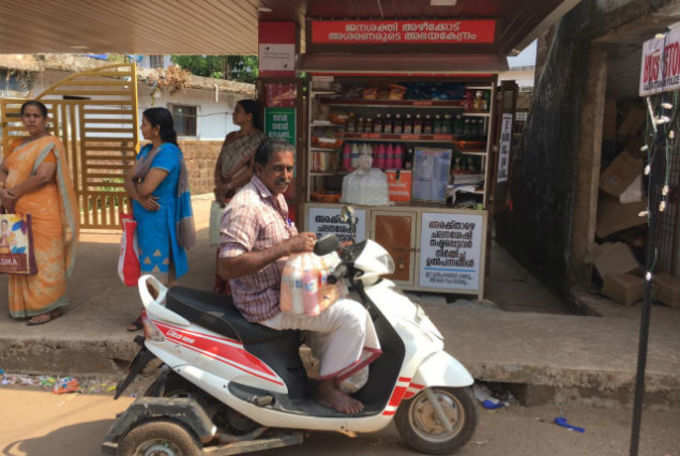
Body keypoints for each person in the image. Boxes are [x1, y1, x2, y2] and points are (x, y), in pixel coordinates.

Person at [218, 139, 381, 415]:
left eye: (290, 169)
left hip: (287, 291)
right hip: (265, 304)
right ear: (258, 168)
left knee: (340, 294)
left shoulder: (274, 197)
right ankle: (327, 389)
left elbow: (285, 246)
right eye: (278, 168)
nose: (286, 176)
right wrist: (286, 247)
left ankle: (330, 371)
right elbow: (227, 265)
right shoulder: (246, 206)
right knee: (352, 315)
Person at [0, 100, 79, 325]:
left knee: (45, 260)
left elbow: (44, 175)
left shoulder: (51, 143)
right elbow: (3, 169)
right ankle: (24, 307)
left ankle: (50, 307)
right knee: (21, 256)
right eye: (27, 115)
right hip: (17, 209)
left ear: (45, 120)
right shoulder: (16, 144)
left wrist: (12, 191)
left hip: (44, 212)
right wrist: (3, 191)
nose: (31, 119)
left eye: (36, 115)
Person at [124, 107, 195, 331]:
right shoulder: (145, 151)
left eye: (144, 124)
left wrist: (139, 193)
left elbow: (145, 187)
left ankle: (155, 316)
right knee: (147, 267)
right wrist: (139, 198)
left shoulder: (168, 153)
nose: (141, 128)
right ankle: (155, 313)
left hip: (160, 220)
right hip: (145, 217)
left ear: (156, 129)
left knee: (157, 269)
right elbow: (128, 180)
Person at [213, 99, 266, 295]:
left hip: (244, 193)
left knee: (240, 240)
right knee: (223, 239)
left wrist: (231, 185)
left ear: (250, 115)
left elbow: (253, 169)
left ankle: (237, 288)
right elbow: (220, 162)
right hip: (224, 192)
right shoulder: (230, 137)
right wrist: (219, 184)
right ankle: (221, 283)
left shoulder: (259, 139)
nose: (234, 114)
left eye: (238, 111)